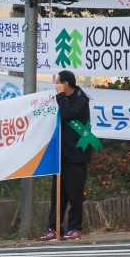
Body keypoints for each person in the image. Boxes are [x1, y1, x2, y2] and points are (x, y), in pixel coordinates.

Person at [40, 70, 94, 242]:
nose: (56, 86)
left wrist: (61, 97)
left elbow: (67, 114)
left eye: (58, 82)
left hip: (77, 157)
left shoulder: (80, 99)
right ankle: (54, 228)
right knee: (58, 196)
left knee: (74, 194)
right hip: (60, 156)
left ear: (65, 84)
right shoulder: (63, 99)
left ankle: (74, 228)